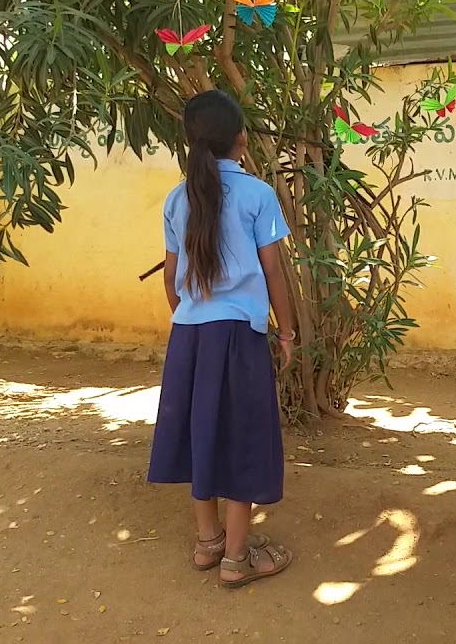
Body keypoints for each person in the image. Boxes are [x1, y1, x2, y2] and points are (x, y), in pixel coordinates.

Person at [148, 89, 296, 589]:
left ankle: (208, 541)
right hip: (238, 336)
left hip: (189, 336)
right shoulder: (257, 194)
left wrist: (191, 318)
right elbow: (273, 272)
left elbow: (171, 278)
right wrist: (286, 331)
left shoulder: (177, 198)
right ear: (241, 139)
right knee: (241, 437)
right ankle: (236, 558)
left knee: (201, 432)